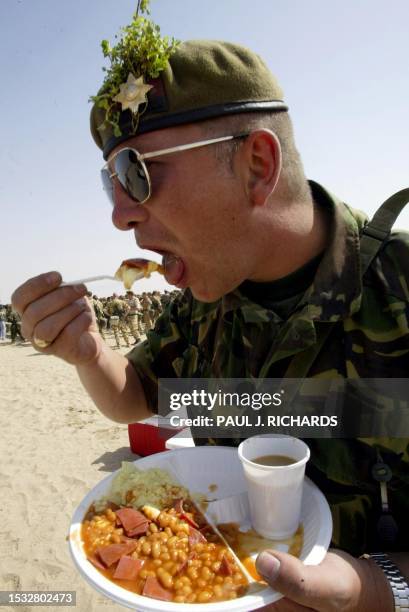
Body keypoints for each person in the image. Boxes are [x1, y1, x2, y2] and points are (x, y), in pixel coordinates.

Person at [11, 17, 409, 612]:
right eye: (109, 181)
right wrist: (90, 352)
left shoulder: (397, 290)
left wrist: (375, 588)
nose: (119, 215)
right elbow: (138, 395)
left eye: (136, 174)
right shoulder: (205, 303)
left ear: (256, 164)